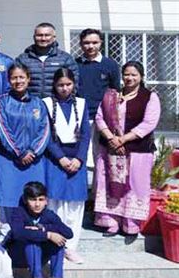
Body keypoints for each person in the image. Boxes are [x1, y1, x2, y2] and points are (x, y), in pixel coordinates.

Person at [93, 61, 161, 240]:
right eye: (126, 74)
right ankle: (111, 221)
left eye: (134, 75)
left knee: (135, 186)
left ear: (141, 77)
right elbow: (99, 117)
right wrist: (111, 138)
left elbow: (149, 123)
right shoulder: (111, 95)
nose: (129, 78)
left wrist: (123, 139)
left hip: (137, 150)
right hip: (110, 148)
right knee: (109, 184)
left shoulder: (149, 97)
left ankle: (130, 225)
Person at [43, 68, 90, 263]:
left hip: (76, 160)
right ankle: (55, 245)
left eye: (68, 84)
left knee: (75, 204)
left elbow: (86, 134)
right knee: (55, 202)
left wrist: (79, 159)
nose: (64, 88)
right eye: (61, 85)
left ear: (74, 85)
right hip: (56, 159)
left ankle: (71, 246)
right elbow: (46, 135)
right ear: (54, 85)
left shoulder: (81, 103)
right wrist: (61, 158)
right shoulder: (46, 104)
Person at [0, 63, 51, 216]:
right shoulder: (2, 102)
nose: (18, 81)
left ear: (28, 79)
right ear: (8, 80)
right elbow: (3, 129)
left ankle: (31, 235)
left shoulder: (38, 103)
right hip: (9, 159)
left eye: (21, 77)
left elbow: (44, 130)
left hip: (34, 160)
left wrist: (32, 151)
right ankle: (7, 235)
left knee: (33, 201)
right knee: (8, 200)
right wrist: (19, 152)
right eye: (14, 78)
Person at [8, 181, 74, 278]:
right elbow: (18, 233)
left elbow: (68, 233)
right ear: (26, 200)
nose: (37, 204)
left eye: (41, 199)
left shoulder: (49, 214)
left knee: (59, 241)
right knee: (32, 241)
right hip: (20, 255)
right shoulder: (19, 213)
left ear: (46, 201)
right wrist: (47, 235)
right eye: (33, 200)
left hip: (40, 256)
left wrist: (43, 228)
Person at [16, 22, 79, 99]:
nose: (43, 38)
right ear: (34, 37)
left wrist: (65, 101)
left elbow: (74, 82)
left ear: (54, 37)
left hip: (56, 104)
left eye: (47, 35)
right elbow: (14, 81)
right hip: (30, 104)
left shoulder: (65, 58)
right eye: (39, 35)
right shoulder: (23, 59)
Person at [75, 28, 120, 121]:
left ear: (101, 43)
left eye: (95, 42)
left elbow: (115, 91)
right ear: (80, 44)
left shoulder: (110, 65)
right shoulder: (74, 65)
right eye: (86, 43)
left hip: (103, 116)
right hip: (79, 115)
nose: (91, 46)